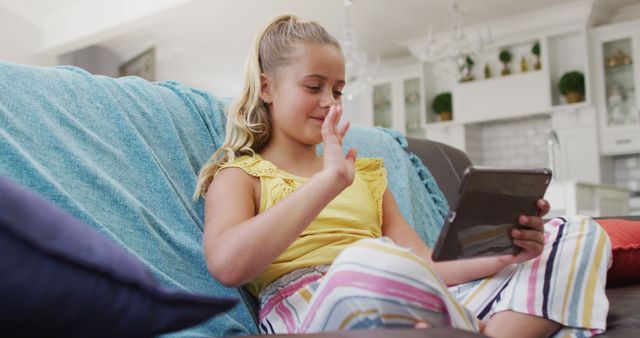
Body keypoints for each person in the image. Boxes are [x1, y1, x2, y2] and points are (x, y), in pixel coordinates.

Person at [194, 14, 611, 338]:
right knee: (368, 257)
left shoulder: (368, 175)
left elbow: (424, 264)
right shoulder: (240, 174)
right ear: (267, 87)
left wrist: (503, 254)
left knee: (577, 234)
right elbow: (229, 266)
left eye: (337, 91)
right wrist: (326, 184)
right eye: (313, 86)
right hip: (313, 306)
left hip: (406, 288)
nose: (329, 102)